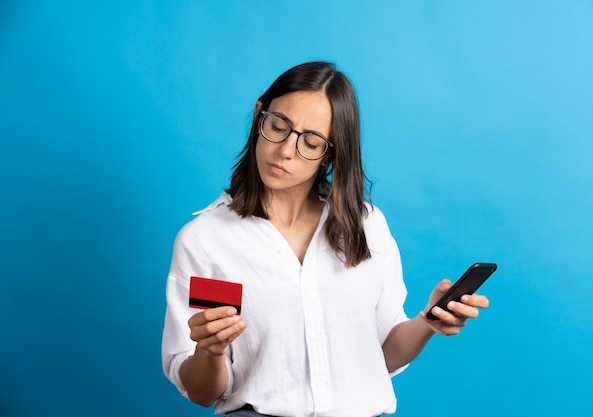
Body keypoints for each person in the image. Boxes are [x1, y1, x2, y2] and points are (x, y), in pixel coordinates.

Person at [161, 61, 490, 417]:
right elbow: (201, 392)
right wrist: (209, 352)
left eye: (311, 142)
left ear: (330, 153)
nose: (286, 151)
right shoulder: (209, 240)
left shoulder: (366, 226)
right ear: (259, 117)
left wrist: (428, 321)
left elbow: (382, 354)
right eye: (278, 126)